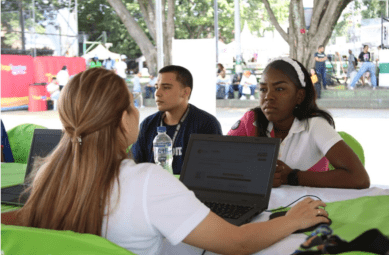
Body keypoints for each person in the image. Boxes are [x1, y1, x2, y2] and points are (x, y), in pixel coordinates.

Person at [5, 68, 330, 255]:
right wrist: (294, 219)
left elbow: (20, 221)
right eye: (133, 105)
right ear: (123, 120)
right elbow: (238, 242)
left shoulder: (51, 175)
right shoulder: (145, 182)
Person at [228, 57, 370, 189]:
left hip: (307, 211)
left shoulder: (314, 125)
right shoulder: (251, 121)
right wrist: (252, 175)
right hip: (260, 213)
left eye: (279, 89)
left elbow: (359, 178)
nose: (268, 97)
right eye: (263, 89)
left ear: (299, 96)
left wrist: (291, 177)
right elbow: (217, 165)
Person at [131, 65, 223, 174]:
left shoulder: (206, 124)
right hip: (153, 189)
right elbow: (137, 168)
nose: (157, 93)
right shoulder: (148, 124)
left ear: (185, 92)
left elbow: (212, 172)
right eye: (156, 87)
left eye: (166, 87)